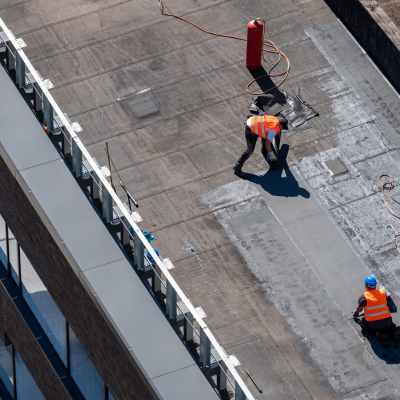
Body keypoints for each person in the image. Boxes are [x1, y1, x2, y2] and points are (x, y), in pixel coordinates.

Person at [353, 275, 400, 341]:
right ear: (375, 285)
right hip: (388, 323)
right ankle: (393, 330)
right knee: (388, 324)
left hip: (374, 326)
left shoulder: (363, 297)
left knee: (364, 322)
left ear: (366, 285)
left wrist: (356, 313)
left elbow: (359, 309)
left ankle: (378, 334)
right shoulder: (383, 292)